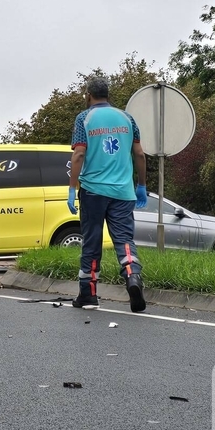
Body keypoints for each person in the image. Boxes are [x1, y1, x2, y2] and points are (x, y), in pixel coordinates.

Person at [68, 76, 148, 313]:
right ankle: (133, 277)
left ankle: (89, 294)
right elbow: (140, 154)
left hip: (93, 190)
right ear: (108, 95)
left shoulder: (84, 118)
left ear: (88, 95)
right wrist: (141, 185)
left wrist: (72, 188)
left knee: (92, 240)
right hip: (123, 192)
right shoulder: (127, 118)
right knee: (124, 240)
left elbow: (79, 155)